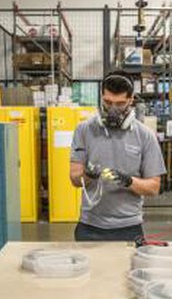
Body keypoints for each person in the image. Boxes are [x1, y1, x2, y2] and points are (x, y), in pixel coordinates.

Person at [69, 71, 166, 241]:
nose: (112, 109)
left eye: (120, 104)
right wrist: (88, 175)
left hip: (128, 227)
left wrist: (128, 181)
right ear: (101, 97)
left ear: (131, 100)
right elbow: (75, 179)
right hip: (89, 226)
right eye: (107, 102)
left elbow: (154, 187)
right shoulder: (84, 130)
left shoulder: (145, 136)